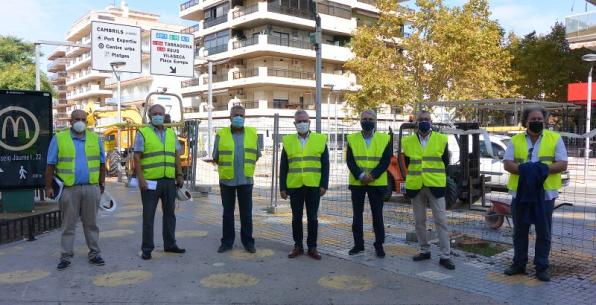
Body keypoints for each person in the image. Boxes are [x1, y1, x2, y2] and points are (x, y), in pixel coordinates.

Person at [503, 106, 568, 282]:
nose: (537, 122)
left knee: (544, 232)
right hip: (520, 193)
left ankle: (541, 267)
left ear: (545, 120)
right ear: (526, 121)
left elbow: (562, 164)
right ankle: (518, 265)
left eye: (540, 119)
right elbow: (507, 164)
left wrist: (542, 170)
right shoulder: (515, 140)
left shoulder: (555, 138)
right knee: (520, 231)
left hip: (545, 194)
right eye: (534, 119)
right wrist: (526, 171)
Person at [45, 110, 106, 270]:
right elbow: (50, 164)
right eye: (77, 119)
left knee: (91, 224)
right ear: (70, 121)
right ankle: (65, 256)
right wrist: (48, 186)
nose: (80, 122)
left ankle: (94, 253)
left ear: (87, 122)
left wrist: (102, 184)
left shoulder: (95, 138)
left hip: (91, 187)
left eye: (83, 119)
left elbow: (101, 163)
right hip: (68, 189)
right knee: (68, 224)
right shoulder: (59, 138)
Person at [401, 110, 455, 270]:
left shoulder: (441, 139)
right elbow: (408, 162)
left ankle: (445, 256)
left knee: (441, 221)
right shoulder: (408, 141)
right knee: (419, 222)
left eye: (427, 119)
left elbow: (445, 162)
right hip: (416, 186)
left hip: (435, 185)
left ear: (431, 122)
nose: (424, 122)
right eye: (421, 119)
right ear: (416, 123)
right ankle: (424, 250)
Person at [134, 104, 185, 260]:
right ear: (150, 116)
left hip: (169, 181)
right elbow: (136, 157)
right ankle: (147, 248)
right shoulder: (143, 133)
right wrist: (141, 179)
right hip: (150, 182)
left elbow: (176, 155)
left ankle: (170, 244)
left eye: (160, 114)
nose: (158, 116)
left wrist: (179, 174)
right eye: (155, 113)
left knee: (170, 214)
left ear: (164, 116)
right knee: (148, 216)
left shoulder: (171, 134)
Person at [280, 110, 329, 260]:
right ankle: (298, 246)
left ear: (309, 122)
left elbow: (325, 165)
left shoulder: (320, 139)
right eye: (299, 121)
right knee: (296, 218)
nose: (302, 123)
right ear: (295, 124)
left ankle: (312, 247)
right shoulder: (288, 141)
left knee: (313, 218)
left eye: (304, 121)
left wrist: (324, 185)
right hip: (294, 185)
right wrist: (282, 187)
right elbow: (283, 166)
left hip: (314, 185)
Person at [213, 105, 260, 254]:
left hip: (246, 180)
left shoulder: (253, 134)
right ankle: (227, 242)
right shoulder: (221, 134)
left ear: (245, 117)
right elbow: (216, 156)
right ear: (230, 118)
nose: (238, 118)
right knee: (228, 213)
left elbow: (256, 155)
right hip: (227, 180)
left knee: (246, 213)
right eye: (235, 115)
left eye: (241, 115)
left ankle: (248, 242)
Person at [346, 109, 391, 258]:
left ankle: (379, 245)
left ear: (376, 121)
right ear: (360, 120)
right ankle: (358, 245)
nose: (367, 121)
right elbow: (350, 161)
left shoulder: (385, 139)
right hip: (357, 182)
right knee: (357, 216)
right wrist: (360, 175)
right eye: (365, 118)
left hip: (377, 183)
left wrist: (372, 176)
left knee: (377, 215)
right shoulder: (352, 138)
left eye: (371, 119)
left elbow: (386, 161)